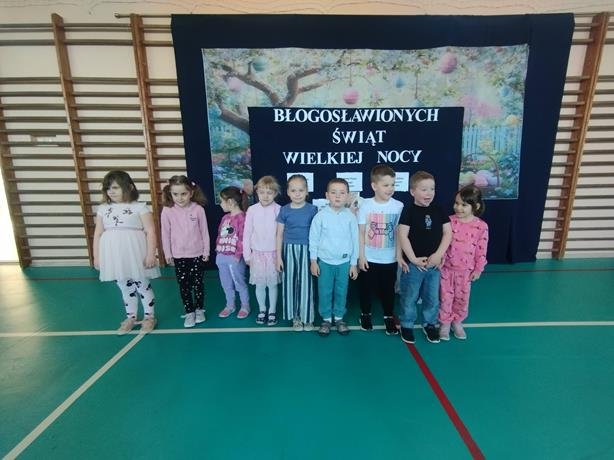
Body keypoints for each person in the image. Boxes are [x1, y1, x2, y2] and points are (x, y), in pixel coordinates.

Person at [93, 170, 160, 335]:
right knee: (124, 285)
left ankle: (149, 316)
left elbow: (150, 231)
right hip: (114, 253)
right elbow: (98, 233)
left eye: (115, 187)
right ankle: (131, 317)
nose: (111, 191)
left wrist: (151, 254)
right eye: (108, 188)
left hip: (135, 250)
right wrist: (97, 256)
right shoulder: (103, 209)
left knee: (142, 283)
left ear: (129, 187)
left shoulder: (139, 207)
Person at [397, 170, 452, 344]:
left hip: (434, 265)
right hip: (414, 265)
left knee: (432, 297)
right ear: (412, 191)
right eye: (424, 189)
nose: (429, 193)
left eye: (432, 189)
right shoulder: (409, 211)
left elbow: (448, 233)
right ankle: (406, 324)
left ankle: (429, 324)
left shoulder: (439, 209)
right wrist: (413, 259)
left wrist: (438, 255)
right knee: (410, 296)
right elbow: (403, 235)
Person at [357, 164, 404, 335]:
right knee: (366, 288)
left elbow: (399, 233)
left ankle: (388, 316)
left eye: (392, 184)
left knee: (388, 289)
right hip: (369, 257)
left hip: (389, 259)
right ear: (374, 186)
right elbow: (361, 232)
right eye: (385, 185)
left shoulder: (398, 206)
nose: (390, 188)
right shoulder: (366, 205)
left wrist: (398, 255)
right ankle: (365, 314)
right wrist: (361, 256)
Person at [309, 178, 359, 337]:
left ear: (347, 196)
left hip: (344, 263)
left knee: (341, 291)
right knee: (324, 291)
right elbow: (313, 240)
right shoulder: (320, 216)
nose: (338, 196)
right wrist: (313, 261)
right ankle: (325, 319)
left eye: (342, 193)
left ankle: (338, 317)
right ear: (327, 195)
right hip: (325, 263)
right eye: (333, 192)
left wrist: (353, 263)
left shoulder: (350, 217)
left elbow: (355, 240)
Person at [438, 185, 488, 340]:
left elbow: (481, 249)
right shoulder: (449, 221)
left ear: (476, 206)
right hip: (446, 269)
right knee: (445, 297)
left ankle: (457, 322)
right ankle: (445, 324)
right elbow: (441, 243)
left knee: (462, 298)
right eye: (456, 203)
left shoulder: (481, 226)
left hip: (466, 271)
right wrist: (439, 258)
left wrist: (478, 269)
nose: (458, 208)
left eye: (464, 205)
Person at [161, 175, 210, 328]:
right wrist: (167, 253)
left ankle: (199, 309)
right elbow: (165, 234)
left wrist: (206, 251)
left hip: (196, 254)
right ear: (170, 194)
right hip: (179, 255)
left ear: (191, 193)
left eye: (184, 194)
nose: (180, 198)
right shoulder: (167, 211)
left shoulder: (198, 209)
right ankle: (189, 312)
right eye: (175, 194)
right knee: (184, 285)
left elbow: (204, 231)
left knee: (198, 283)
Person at [276, 174, 318, 331]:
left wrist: (315, 257)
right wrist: (278, 257)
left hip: (307, 250)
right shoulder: (284, 210)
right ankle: (296, 317)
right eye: (293, 190)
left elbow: (317, 234)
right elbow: (279, 235)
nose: (297, 194)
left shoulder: (313, 210)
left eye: (301, 190)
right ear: (288, 192)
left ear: (307, 191)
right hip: (289, 250)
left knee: (306, 285)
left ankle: (308, 317)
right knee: (290, 284)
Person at [243, 176, 282, 326]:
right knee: (260, 285)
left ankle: (272, 310)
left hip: (273, 254)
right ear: (257, 192)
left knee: (272, 284)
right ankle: (262, 309)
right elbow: (247, 233)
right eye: (262, 192)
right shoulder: (252, 210)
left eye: (269, 192)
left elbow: (281, 234)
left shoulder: (279, 210)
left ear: (275, 193)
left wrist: (280, 255)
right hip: (257, 254)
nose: (265, 196)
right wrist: (247, 255)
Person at [216, 186, 250, 319]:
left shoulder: (243, 218)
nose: (220, 204)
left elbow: (243, 239)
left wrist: (237, 255)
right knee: (226, 283)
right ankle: (230, 305)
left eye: (221, 201)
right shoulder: (225, 218)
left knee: (239, 283)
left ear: (230, 202)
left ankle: (245, 305)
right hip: (222, 256)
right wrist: (218, 251)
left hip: (234, 259)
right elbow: (220, 234)